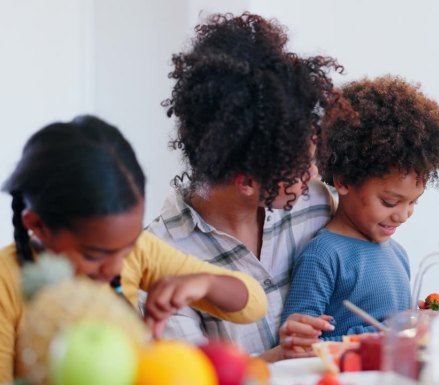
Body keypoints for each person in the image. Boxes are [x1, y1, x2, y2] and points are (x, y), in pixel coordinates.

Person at [0, 115, 268, 385]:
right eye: (94, 255)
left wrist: (205, 283)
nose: (115, 267)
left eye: (128, 246)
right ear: (37, 225)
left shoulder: (138, 252)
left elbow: (253, 303)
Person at [146, 13, 350, 361]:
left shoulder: (316, 204)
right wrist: (278, 356)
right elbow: (193, 377)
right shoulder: (161, 257)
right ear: (247, 183)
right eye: (299, 170)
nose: (313, 173)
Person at [281, 75, 439, 340]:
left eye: (413, 202)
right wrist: (376, 337)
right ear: (344, 181)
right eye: (389, 202)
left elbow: (392, 324)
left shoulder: (397, 254)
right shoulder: (322, 256)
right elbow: (300, 343)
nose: (403, 215)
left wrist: (416, 320)